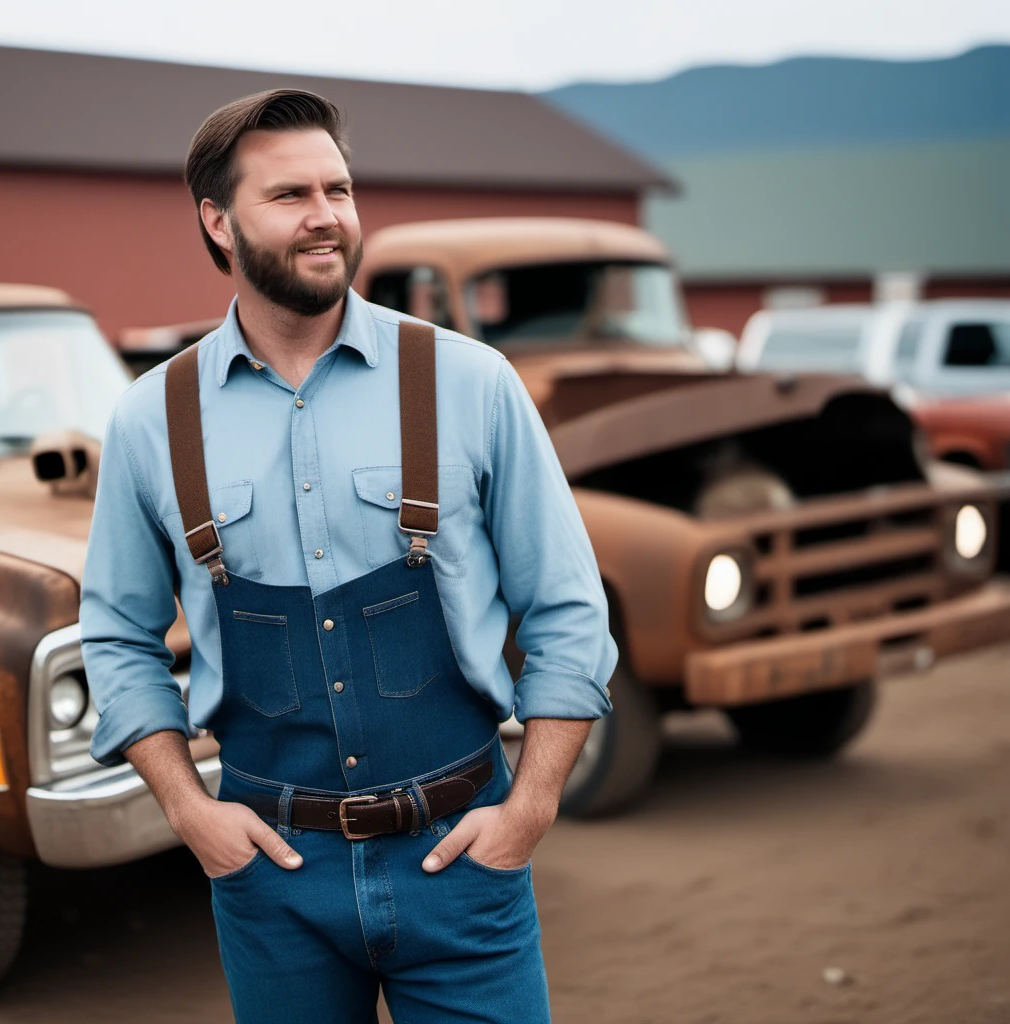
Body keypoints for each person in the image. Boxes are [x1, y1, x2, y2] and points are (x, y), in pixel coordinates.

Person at [80, 88, 617, 1024]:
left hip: (463, 859)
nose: (327, 215)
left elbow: (569, 608)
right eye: (290, 195)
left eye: (339, 187)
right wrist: (191, 816)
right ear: (217, 220)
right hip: (272, 880)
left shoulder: (470, 383)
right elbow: (117, 634)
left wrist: (529, 808)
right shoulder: (150, 422)